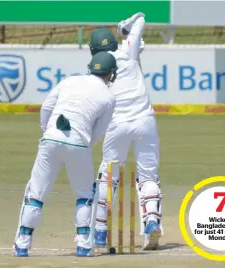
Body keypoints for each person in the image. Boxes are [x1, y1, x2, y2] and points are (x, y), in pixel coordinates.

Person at [12, 52, 117, 257]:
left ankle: (23, 243)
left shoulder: (69, 81)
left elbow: (46, 108)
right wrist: (84, 144)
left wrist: (47, 132)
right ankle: (84, 245)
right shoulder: (108, 97)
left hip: (50, 139)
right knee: (85, 195)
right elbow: (98, 131)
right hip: (79, 144)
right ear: (110, 74)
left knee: (36, 193)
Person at [88, 12, 163, 250]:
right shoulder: (128, 50)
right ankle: (151, 221)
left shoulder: (95, 68)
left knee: (108, 175)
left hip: (116, 124)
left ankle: (100, 231)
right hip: (145, 121)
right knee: (148, 176)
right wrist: (124, 28)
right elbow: (141, 17)